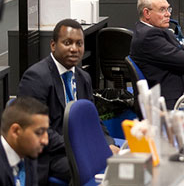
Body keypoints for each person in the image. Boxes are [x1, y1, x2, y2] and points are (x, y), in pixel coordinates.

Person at [17, 19, 118, 184]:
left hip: (78, 149)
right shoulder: (36, 77)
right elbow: (37, 130)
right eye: (67, 43)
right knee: (93, 167)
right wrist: (84, 147)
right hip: (49, 155)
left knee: (122, 162)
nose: (74, 49)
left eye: (79, 44)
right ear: (53, 45)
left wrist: (106, 144)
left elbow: (93, 120)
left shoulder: (83, 77)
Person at [130, 0, 184, 109]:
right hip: (176, 99)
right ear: (147, 13)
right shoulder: (149, 37)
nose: (168, 14)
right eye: (162, 10)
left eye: (168, 9)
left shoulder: (154, 29)